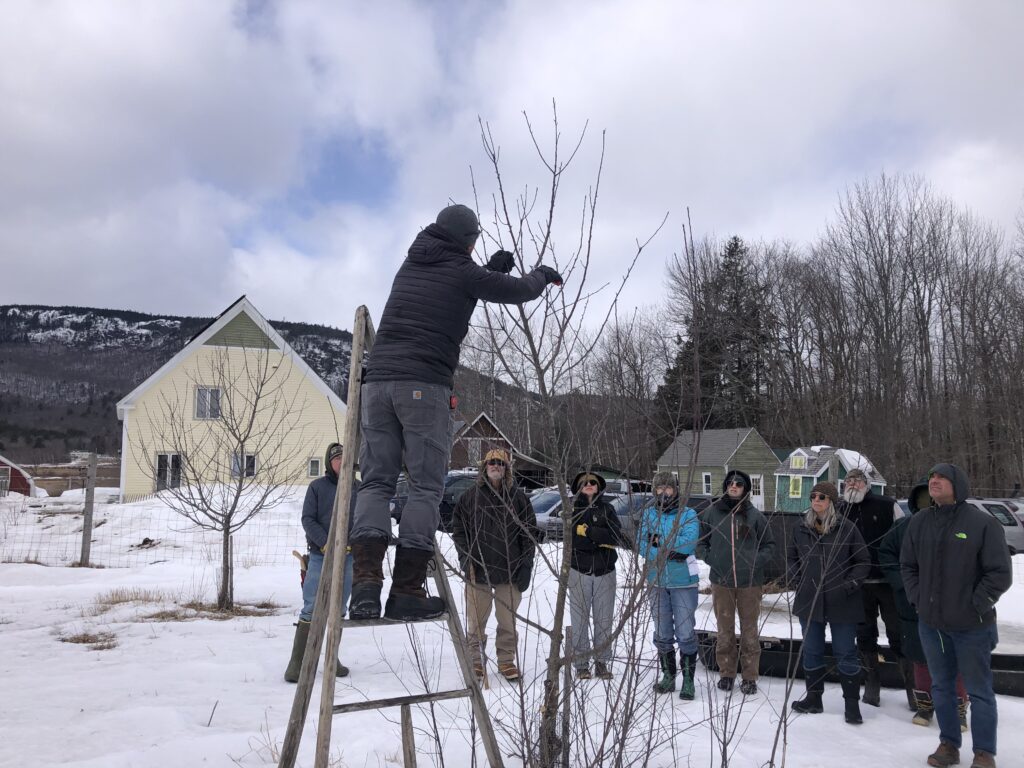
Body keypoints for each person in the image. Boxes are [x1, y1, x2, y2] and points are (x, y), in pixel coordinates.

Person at [347, 204, 563, 622]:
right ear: (468, 240)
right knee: (426, 487)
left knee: (375, 483)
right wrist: (541, 274)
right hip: (422, 384)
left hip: (377, 385)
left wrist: (485, 271)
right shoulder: (464, 272)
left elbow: (454, 289)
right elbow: (517, 290)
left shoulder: (413, 263)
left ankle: (365, 590)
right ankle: (407, 590)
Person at [901, 464, 1013, 768]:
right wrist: (918, 599)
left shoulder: (982, 524)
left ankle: (984, 753)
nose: (933, 480)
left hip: (972, 626)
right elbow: (908, 566)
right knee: (942, 687)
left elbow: (1000, 574)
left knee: (979, 692)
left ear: (958, 485)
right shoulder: (919, 522)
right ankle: (948, 745)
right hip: (932, 625)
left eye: (941, 477)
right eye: (931, 477)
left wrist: (975, 604)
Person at [878, 481, 969, 731]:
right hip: (912, 604)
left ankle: (958, 708)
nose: (927, 504)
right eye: (922, 500)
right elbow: (885, 555)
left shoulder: (957, 527)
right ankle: (924, 706)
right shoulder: (903, 527)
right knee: (920, 658)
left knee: (955, 657)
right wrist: (903, 584)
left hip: (950, 605)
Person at [451, 448, 539, 683]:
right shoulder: (471, 497)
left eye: (500, 462)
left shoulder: (517, 498)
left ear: (506, 468)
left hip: (510, 570)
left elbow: (529, 534)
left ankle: (506, 660)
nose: (496, 466)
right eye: (492, 462)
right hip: (478, 569)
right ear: (484, 466)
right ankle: (476, 661)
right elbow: (458, 530)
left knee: (507, 620)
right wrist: (465, 558)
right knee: (476, 620)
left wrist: (526, 565)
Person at [787, 481, 870, 725]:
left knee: (845, 652)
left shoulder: (847, 528)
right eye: (813, 496)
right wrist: (798, 580)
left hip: (842, 601)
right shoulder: (800, 527)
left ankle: (852, 706)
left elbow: (863, 560)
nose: (816, 500)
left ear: (831, 501)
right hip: (809, 600)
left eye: (822, 496)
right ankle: (814, 698)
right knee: (811, 650)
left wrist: (849, 585)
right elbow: (791, 556)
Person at [696, 470, 775, 695]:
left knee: (749, 631)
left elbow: (770, 545)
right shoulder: (712, 513)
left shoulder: (755, 516)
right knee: (724, 630)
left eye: (739, 483)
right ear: (725, 486)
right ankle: (727, 674)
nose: (734, 486)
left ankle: (749, 677)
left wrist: (754, 562)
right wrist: (710, 558)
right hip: (721, 582)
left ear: (745, 488)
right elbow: (700, 543)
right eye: (730, 483)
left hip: (750, 583)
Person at [284, 442, 357, 683]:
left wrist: (352, 543)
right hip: (320, 555)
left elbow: (361, 519)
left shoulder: (358, 488)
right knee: (312, 606)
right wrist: (326, 543)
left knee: (339, 608)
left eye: (344, 458)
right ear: (329, 462)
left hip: (348, 557)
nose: (341, 462)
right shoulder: (317, 487)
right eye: (336, 458)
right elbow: (308, 519)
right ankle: (299, 663)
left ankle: (331, 660)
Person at [837, 467, 907, 708]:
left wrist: (901, 573)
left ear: (867, 485)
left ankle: (914, 690)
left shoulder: (887, 505)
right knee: (865, 637)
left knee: (899, 635)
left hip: (888, 583)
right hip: (857, 585)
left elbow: (905, 539)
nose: (852, 484)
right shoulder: (839, 509)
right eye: (848, 481)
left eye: (857, 480)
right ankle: (872, 685)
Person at [638, 471, 701, 700]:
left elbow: (689, 542)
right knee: (662, 631)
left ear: (675, 490)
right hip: (656, 580)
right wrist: (666, 548)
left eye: (669, 489)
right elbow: (642, 543)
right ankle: (668, 676)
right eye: (660, 489)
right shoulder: (648, 515)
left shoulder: (688, 514)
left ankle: (688, 681)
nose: (664, 493)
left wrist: (659, 544)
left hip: (683, 581)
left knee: (685, 632)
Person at [567, 471, 625, 680]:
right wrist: (599, 537)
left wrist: (589, 532)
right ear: (578, 487)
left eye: (593, 482)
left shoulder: (608, 509)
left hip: (605, 570)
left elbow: (616, 536)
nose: (589, 485)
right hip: (578, 570)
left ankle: (602, 662)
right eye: (584, 483)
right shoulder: (572, 510)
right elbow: (573, 542)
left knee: (604, 620)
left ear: (599, 486)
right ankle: (581, 663)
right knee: (579, 619)